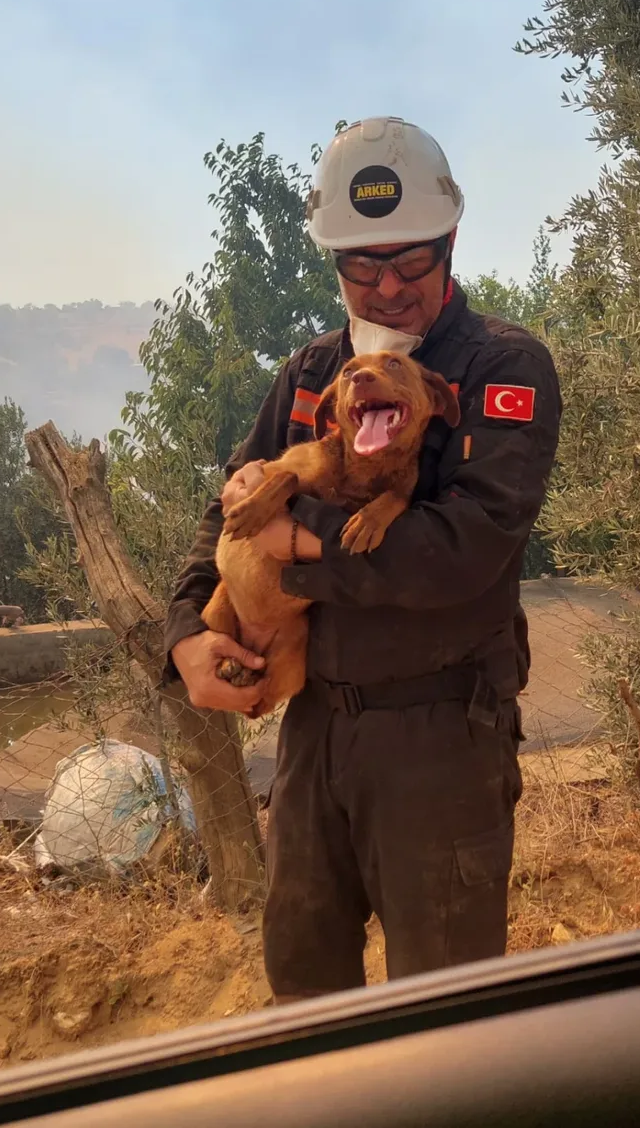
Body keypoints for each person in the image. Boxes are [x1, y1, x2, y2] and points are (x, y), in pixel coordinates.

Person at [162, 116, 561, 1002]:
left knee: (446, 1016)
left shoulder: (504, 367)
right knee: (306, 995)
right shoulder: (311, 373)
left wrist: (298, 545)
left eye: (411, 262)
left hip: (440, 738)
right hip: (311, 737)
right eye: (361, 267)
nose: (386, 290)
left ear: (450, 242)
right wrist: (187, 632)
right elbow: (226, 504)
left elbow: (461, 551)